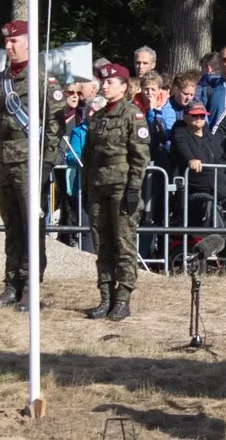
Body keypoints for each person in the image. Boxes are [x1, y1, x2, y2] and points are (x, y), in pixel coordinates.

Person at [0, 20, 62, 310]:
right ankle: (12, 285)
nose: (9, 47)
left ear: (29, 43)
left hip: (31, 165)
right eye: (6, 42)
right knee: (12, 226)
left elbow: (55, 128)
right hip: (6, 163)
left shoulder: (44, 80)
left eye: (14, 41)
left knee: (32, 225)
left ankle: (31, 286)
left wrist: (45, 165)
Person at [83, 63, 150, 320]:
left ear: (123, 86)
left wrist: (134, 188)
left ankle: (123, 298)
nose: (105, 85)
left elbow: (140, 156)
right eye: (104, 81)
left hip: (122, 187)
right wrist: (86, 186)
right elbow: (89, 156)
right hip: (98, 185)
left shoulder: (132, 115)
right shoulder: (97, 118)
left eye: (111, 82)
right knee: (102, 243)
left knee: (124, 243)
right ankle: (105, 297)